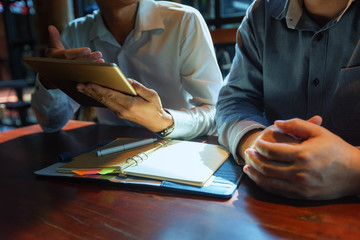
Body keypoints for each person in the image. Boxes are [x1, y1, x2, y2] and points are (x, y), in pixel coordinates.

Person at [215, 0, 360, 200]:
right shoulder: (262, 12)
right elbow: (236, 99)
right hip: (268, 201)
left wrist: (353, 167)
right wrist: (257, 143)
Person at [31, 0, 223, 139]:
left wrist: (163, 120)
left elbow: (216, 114)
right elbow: (51, 124)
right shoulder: (76, 32)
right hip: (108, 152)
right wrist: (50, 80)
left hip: (183, 146)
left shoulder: (184, 21)